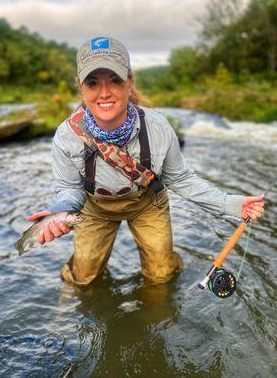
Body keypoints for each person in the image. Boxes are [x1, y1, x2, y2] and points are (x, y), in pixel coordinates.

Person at [28, 36, 265, 286]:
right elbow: (70, 189)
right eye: (93, 83)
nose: (105, 93)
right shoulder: (66, 136)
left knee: (161, 275)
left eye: (115, 81)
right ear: (81, 88)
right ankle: (68, 300)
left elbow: (182, 179)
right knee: (83, 277)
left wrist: (230, 204)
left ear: (129, 84)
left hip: (148, 202)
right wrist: (58, 212)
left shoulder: (157, 126)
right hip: (94, 210)